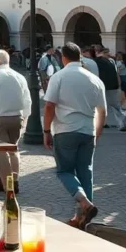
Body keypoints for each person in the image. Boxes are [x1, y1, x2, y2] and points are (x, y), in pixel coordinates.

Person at [43, 42, 106, 230]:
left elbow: (49, 106)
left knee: (65, 171)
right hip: (88, 130)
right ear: (80, 56)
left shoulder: (59, 77)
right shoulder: (94, 80)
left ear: (63, 58)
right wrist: (97, 133)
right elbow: (102, 112)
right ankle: (81, 217)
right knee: (86, 172)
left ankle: (85, 205)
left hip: (66, 129)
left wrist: (46, 131)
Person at [0, 50, 31, 193]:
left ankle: (7, 186)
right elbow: (28, 100)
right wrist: (24, 118)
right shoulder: (20, 77)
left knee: (1, 152)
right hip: (17, 117)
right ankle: (14, 181)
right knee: (13, 150)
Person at [96, 48, 124, 131]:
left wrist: (118, 83)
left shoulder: (109, 61)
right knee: (109, 105)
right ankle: (107, 123)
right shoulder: (107, 61)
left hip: (109, 86)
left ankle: (120, 122)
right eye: (105, 53)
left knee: (110, 105)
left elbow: (116, 73)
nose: (107, 54)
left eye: (107, 52)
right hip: (108, 85)